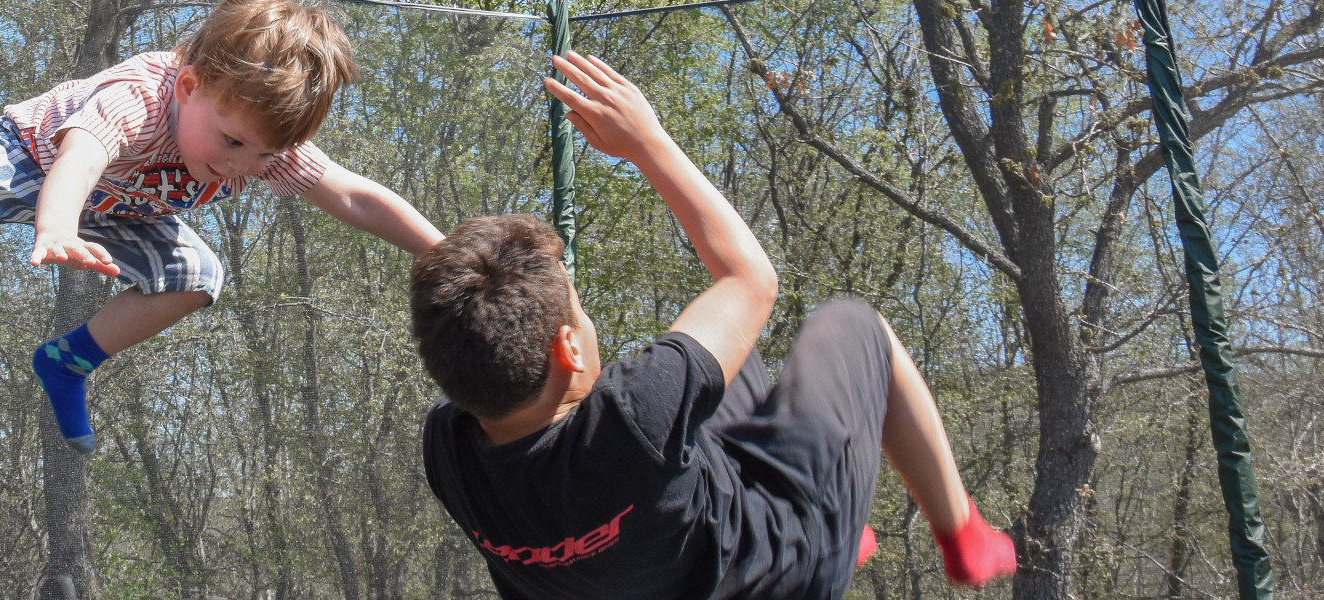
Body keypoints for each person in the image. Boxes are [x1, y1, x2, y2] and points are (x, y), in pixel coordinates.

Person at [411, 52, 1017, 599]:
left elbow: (475, 334)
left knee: (731, 364)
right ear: (568, 346)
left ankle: (827, 498)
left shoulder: (451, 454)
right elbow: (749, 279)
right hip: (792, 569)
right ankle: (962, 535)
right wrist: (647, 142)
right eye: (579, 308)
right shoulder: (634, 417)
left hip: (670, 556)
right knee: (852, 325)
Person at [0, 0, 442, 454]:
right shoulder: (139, 96)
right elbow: (83, 155)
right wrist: (57, 222)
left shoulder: (258, 141)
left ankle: (67, 360)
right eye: (232, 144)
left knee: (199, 277)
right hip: (37, 159)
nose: (243, 168)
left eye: (266, 155)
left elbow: (353, 197)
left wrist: (445, 252)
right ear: (191, 84)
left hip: (129, 206)